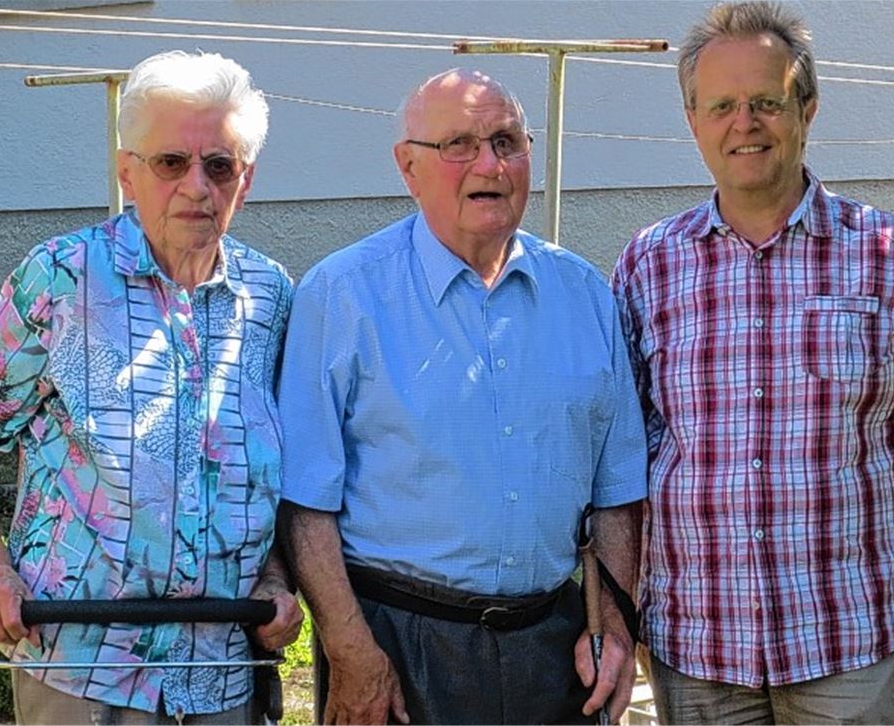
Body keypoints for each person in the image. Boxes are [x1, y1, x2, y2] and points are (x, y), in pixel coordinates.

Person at [611, 2, 894, 723]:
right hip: (697, 648)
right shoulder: (647, 265)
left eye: (766, 102)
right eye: (721, 105)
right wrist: (619, 609)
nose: (743, 123)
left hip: (851, 642)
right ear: (692, 119)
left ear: (807, 109)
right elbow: (623, 453)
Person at [0, 50, 303, 724]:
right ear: (128, 172)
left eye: (220, 165)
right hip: (86, 668)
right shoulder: (62, 277)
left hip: (225, 671)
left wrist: (275, 577)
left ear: (246, 180)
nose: (196, 185)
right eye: (170, 163)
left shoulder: (269, 296)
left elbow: (262, 468)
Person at [277, 68, 647, 724]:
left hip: (552, 646)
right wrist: (349, 645)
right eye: (459, 145)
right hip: (396, 644)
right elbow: (306, 500)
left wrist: (614, 626)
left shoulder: (584, 293)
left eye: (507, 141)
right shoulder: (342, 295)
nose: (490, 163)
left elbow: (618, 487)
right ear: (408, 166)